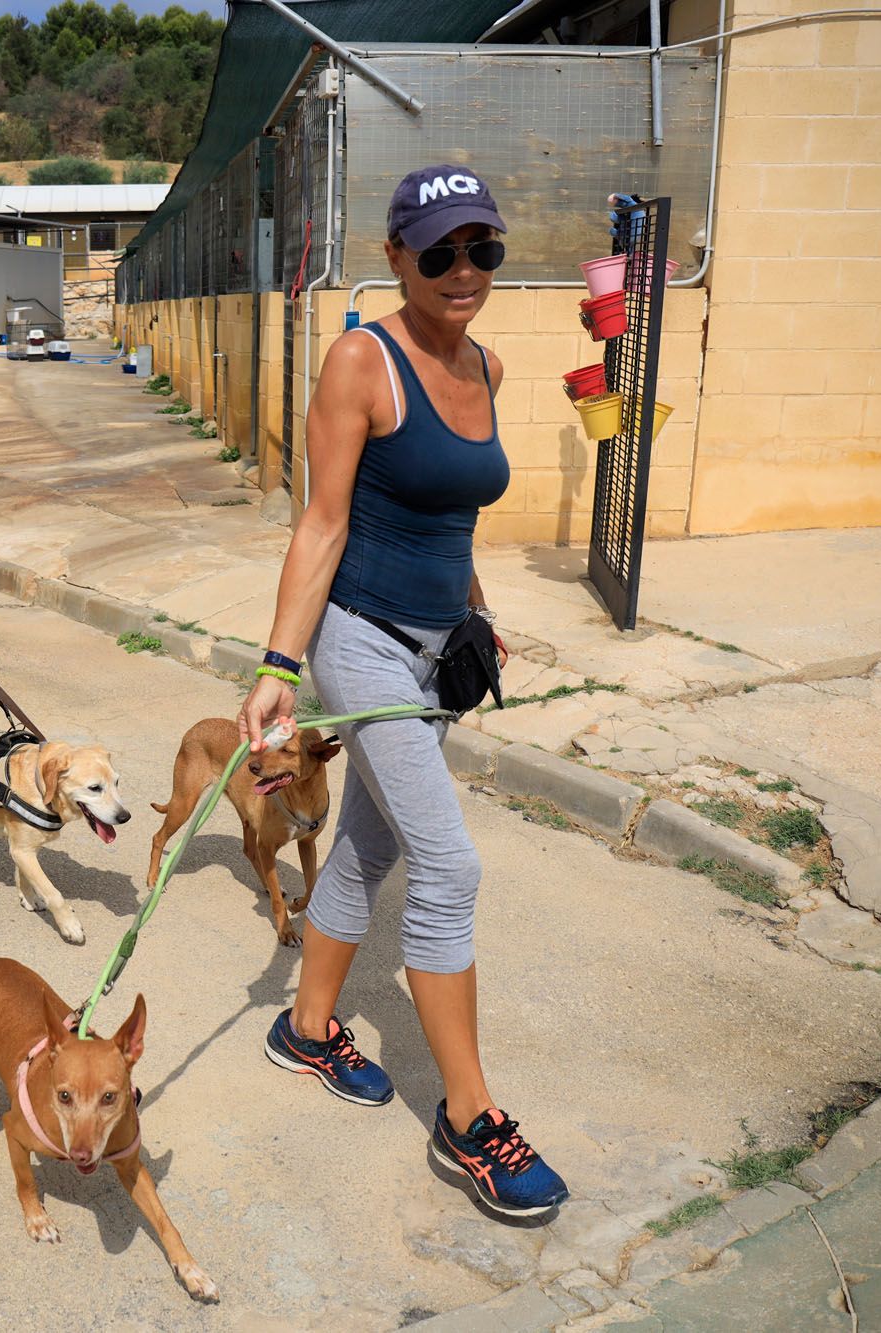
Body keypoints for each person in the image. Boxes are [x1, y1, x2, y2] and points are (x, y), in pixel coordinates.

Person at [239, 165, 569, 1221]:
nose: (462, 270)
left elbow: (453, 513)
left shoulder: (488, 361)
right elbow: (321, 523)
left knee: (371, 846)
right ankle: (469, 1119)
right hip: (358, 642)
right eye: (437, 252)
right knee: (447, 862)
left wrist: (470, 611)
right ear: (395, 257)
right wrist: (278, 671)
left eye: (481, 249)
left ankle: (307, 1025)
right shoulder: (358, 360)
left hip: (432, 648)